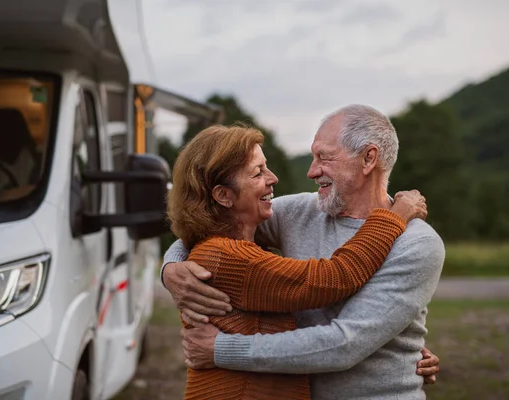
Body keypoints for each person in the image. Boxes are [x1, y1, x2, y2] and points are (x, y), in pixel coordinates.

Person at [162, 104, 445, 399]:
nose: (311, 171)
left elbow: (344, 344)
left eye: (323, 157)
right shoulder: (297, 212)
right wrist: (171, 269)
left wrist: (220, 349)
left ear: (368, 158)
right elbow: (207, 232)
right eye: (312, 156)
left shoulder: (416, 243)